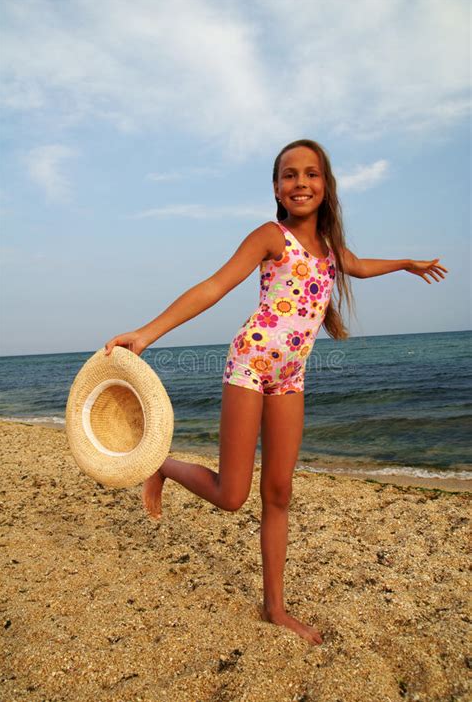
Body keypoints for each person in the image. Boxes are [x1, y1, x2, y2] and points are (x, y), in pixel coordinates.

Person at [104, 139, 448, 645]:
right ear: (276, 188)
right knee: (232, 495)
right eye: (290, 175)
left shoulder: (331, 250)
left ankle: (275, 608)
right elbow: (213, 286)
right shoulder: (271, 236)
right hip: (250, 364)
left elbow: (359, 265)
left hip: (291, 377)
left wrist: (405, 264)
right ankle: (161, 466)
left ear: (325, 186)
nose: (301, 183)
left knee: (280, 493)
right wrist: (148, 333)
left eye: (311, 174)